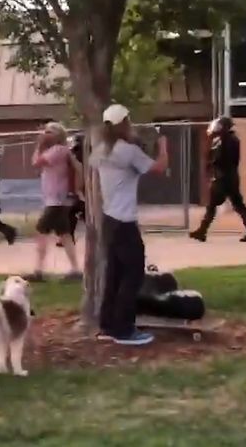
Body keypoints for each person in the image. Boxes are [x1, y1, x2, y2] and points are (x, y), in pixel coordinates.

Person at [90, 104, 170, 346]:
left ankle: (108, 324)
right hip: (124, 221)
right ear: (123, 123)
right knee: (132, 274)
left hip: (108, 219)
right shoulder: (128, 151)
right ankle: (124, 329)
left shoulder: (101, 149)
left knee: (114, 273)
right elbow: (159, 167)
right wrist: (164, 147)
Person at [24, 122, 83, 282]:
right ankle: (76, 270)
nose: (45, 134)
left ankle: (38, 271)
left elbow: (36, 162)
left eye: (49, 132)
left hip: (56, 201)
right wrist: (42, 146)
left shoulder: (58, 150)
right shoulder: (56, 151)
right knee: (64, 235)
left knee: (41, 232)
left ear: (58, 135)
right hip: (57, 199)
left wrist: (39, 144)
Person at [189, 116, 246, 243]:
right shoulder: (221, 140)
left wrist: (212, 163)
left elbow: (222, 159)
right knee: (234, 205)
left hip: (226, 178)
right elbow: (212, 156)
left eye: (219, 126)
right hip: (225, 177)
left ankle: (202, 231)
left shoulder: (230, 140)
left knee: (220, 205)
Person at [59, 132, 87, 247]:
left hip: (82, 189)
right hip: (79, 190)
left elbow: (80, 172)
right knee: (73, 212)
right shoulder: (77, 156)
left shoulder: (81, 157)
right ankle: (68, 238)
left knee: (77, 210)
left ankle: (68, 238)